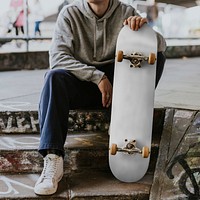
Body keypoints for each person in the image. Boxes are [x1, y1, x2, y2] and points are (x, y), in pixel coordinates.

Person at [34, 0, 166, 196]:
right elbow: (58, 57)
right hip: (84, 84)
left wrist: (144, 31)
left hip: (121, 88)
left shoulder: (126, 11)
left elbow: (161, 46)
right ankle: (53, 158)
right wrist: (98, 77)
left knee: (157, 58)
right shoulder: (70, 14)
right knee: (53, 78)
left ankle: (123, 120)